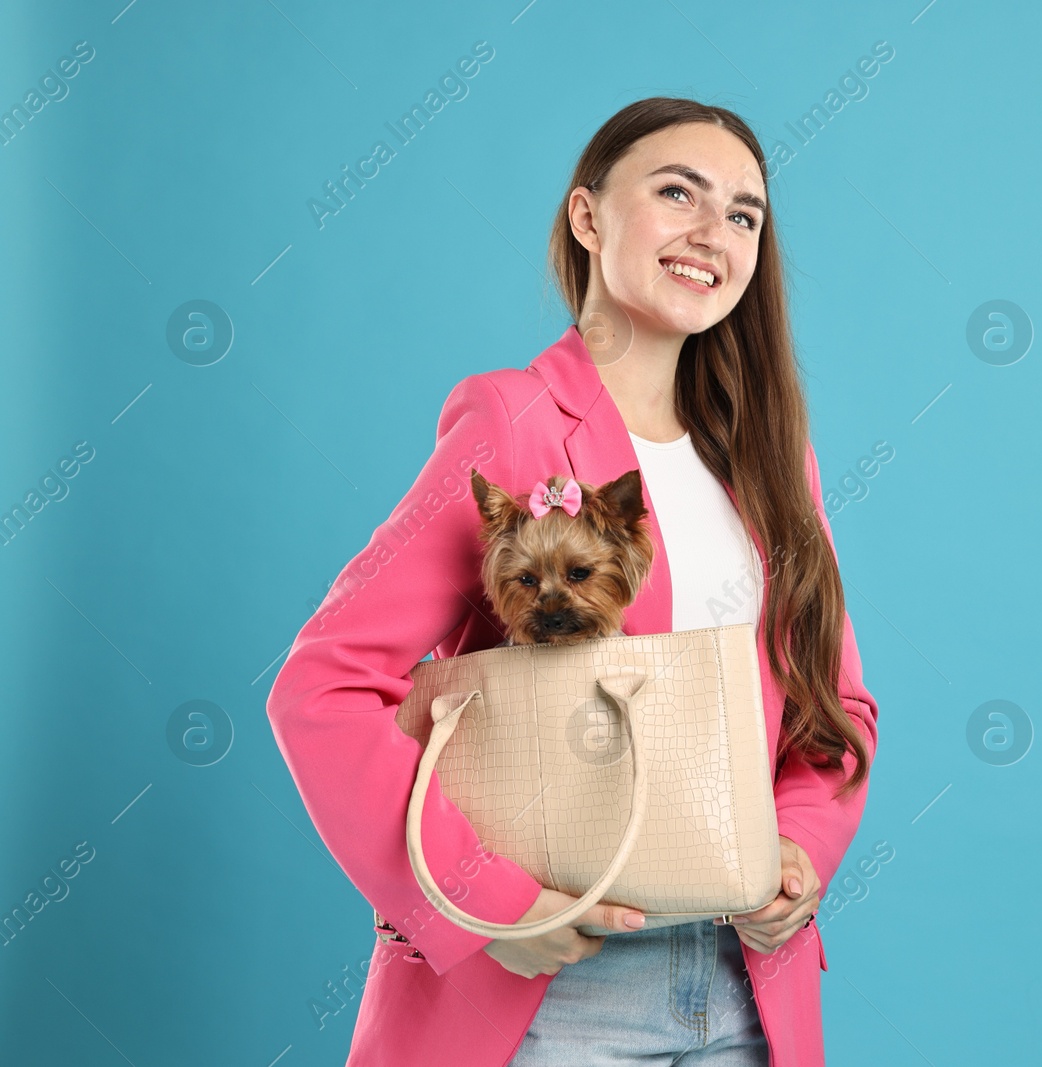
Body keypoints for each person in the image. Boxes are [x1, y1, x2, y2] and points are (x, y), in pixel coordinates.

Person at [265, 96, 879, 1067]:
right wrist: (485, 900)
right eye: (677, 191)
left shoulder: (770, 457)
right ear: (587, 215)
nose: (711, 231)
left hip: (746, 987)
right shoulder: (511, 421)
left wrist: (797, 854)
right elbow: (324, 687)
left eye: (743, 213)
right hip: (549, 995)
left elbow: (832, 705)